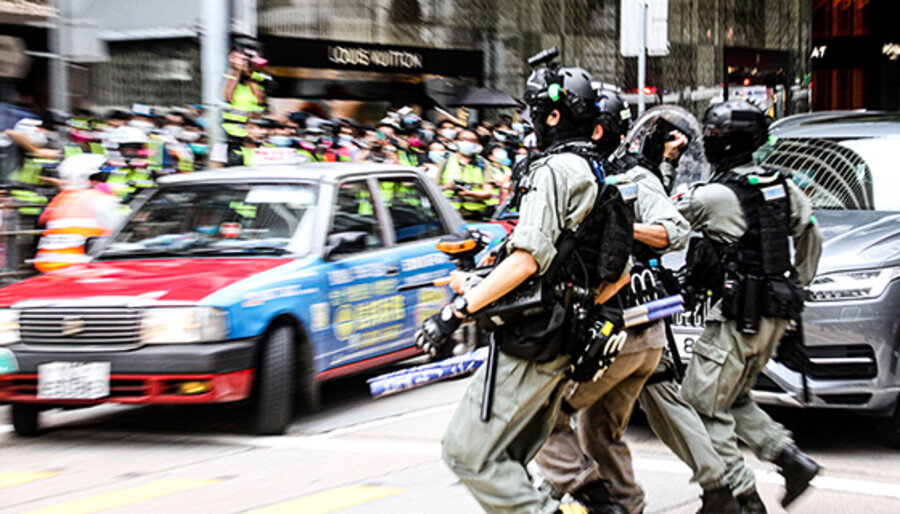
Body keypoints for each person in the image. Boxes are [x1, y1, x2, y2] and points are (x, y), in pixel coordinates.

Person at [421, 53, 632, 514]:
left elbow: (526, 262)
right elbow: (618, 273)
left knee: (466, 452)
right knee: (509, 457)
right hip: (565, 339)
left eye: (536, 113)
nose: (531, 122)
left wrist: (453, 313)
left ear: (553, 116)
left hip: (532, 340)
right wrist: (574, 307)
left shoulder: (553, 171)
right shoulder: (601, 173)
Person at [533, 85, 691, 514]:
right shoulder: (593, 175)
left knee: (534, 411)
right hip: (635, 333)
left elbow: (673, 230)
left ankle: (595, 500)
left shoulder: (603, 179)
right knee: (600, 433)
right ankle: (625, 505)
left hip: (617, 331)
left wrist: (620, 227)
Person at [675, 100, 823, 511]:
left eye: (711, 135)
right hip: (776, 315)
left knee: (702, 403)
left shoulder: (713, 196)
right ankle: (789, 458)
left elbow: (665, 225)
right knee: (734, 398)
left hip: (737, 320)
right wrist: (797, 286)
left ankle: (740, 497)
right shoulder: (782, 186)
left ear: (723, 143)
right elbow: (811, 233)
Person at [33, 153, 123, 273]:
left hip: (47, 265)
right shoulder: (100, 198)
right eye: (102, 176)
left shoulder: (61, 198)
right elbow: (119, 228)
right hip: (80, 265)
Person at [437, 128, 494, 220]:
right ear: (456, 142)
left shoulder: (483, 163)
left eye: (473, 140)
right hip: (448, 216)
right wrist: (447, 187)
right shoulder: (446, 161)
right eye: (464, 139)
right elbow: (434, 188)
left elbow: (488, 193)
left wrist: (469, 193)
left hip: (474, 216)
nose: (468, 143)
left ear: (477, 144)